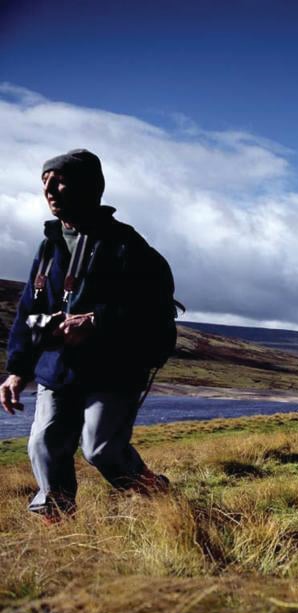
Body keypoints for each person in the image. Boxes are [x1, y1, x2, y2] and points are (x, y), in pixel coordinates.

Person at [1, 149, 174, 521]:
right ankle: (59, 525)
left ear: (90, 187)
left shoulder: (127, 245)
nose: (50, 189)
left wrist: (97, 320)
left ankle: (157, 495)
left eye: (59, 180)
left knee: (101, 450)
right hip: (57, 368)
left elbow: (156, 309)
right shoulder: (48, 247)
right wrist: (17, 370)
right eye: (45, 181)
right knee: (44, 444)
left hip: (114, 370)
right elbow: (28, 312)